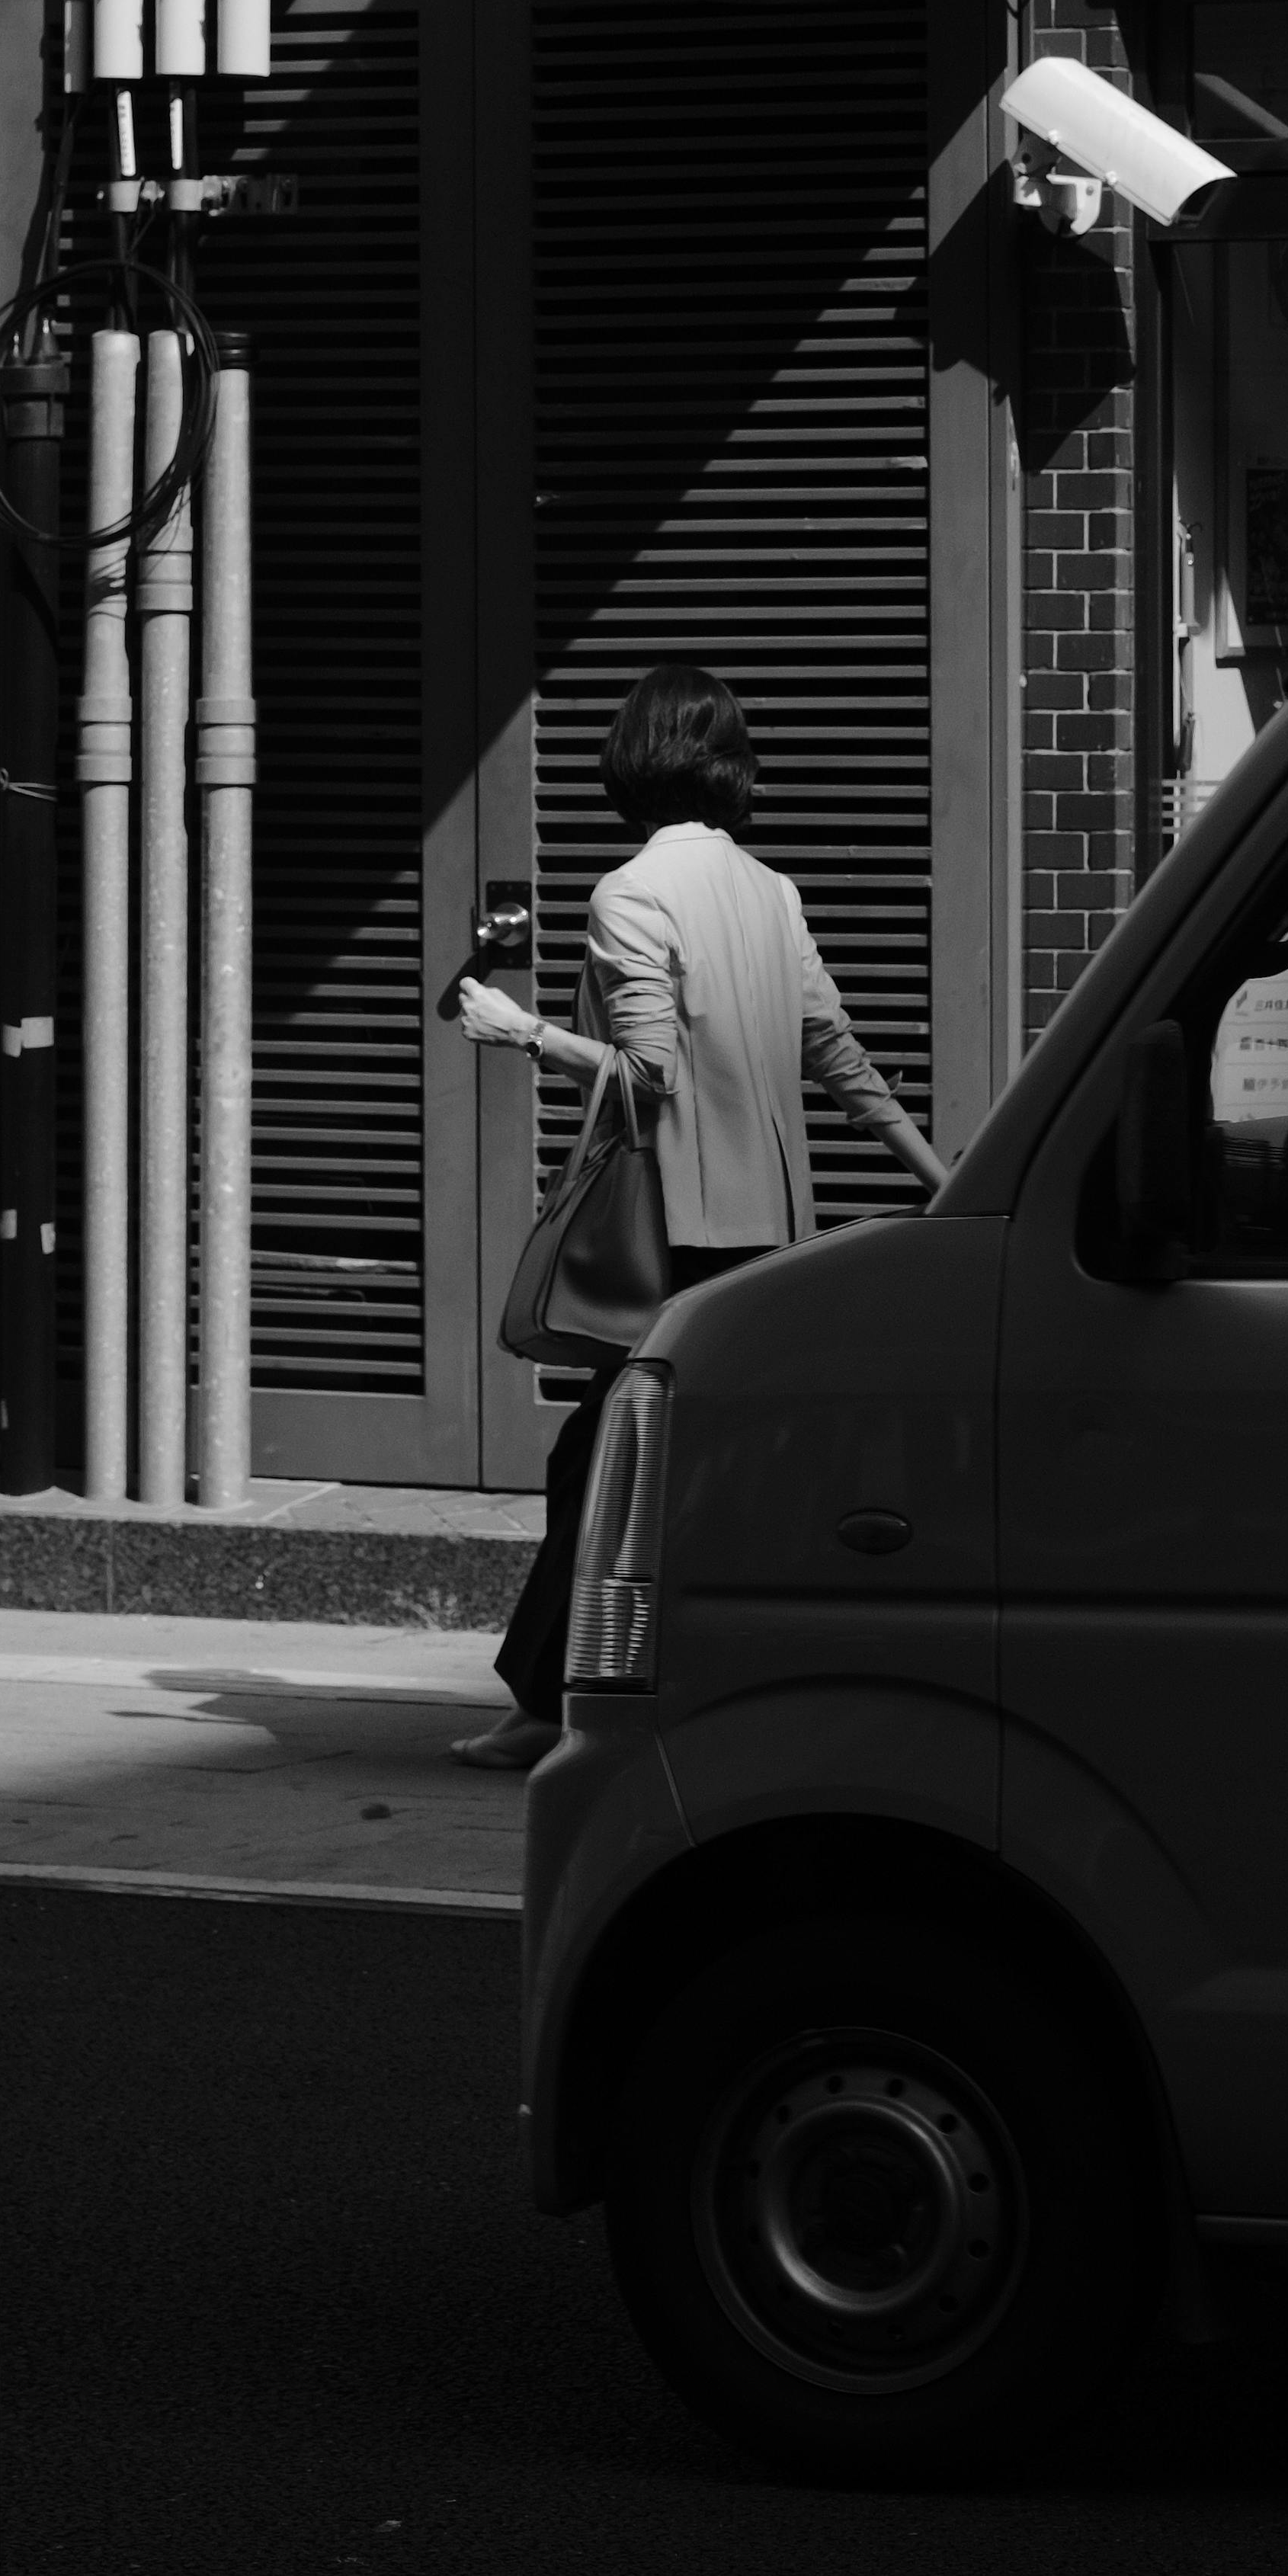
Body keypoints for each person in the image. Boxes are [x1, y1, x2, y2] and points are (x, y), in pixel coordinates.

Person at [450, 658, 947, 1770]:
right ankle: (697, 1685)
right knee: (703, 1466)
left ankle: (549, 1702)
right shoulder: (772, 891)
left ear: (631, 758)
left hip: (672, 1240)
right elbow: (839, 1054)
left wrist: (520, 1030)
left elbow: (647, 1076)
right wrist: (935, 1172)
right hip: (769, 1239)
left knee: (601, 1465)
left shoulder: (630, 893)